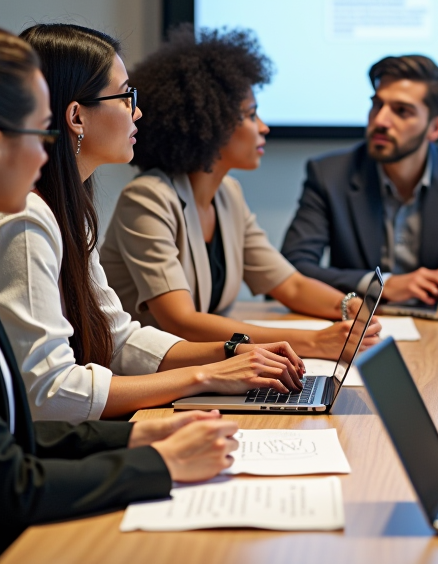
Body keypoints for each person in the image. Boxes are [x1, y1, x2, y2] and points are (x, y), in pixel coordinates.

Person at [0, 22, 240, 564]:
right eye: (41, 132)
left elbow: (8, 433)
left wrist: (137, 430)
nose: (46, 152)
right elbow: (8, 482)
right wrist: (157, 464)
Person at [0, 24, 304, 421]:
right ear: (76, 116)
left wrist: (233, 351)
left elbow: (116, 339)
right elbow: (49, 392)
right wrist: (205, 376)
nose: (138, 111)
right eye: (126, 96)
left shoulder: (68, 210)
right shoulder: (24, 218)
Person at [100, 27, 375, 359]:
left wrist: (349, 307)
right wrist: (315, 343)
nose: (263, 127)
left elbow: (290, 285)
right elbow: (181, 322)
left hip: (202, 370)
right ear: (209, 125)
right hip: (144, 377)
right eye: (251, 115)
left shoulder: (228, 193)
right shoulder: (146, 199)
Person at [281, 54, 438, 306]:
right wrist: (384, 284)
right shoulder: (330, 174)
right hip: (365, 325)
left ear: (435, 128)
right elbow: (291, 270)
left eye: (401, 111)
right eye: (377, 105)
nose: (380, 121)